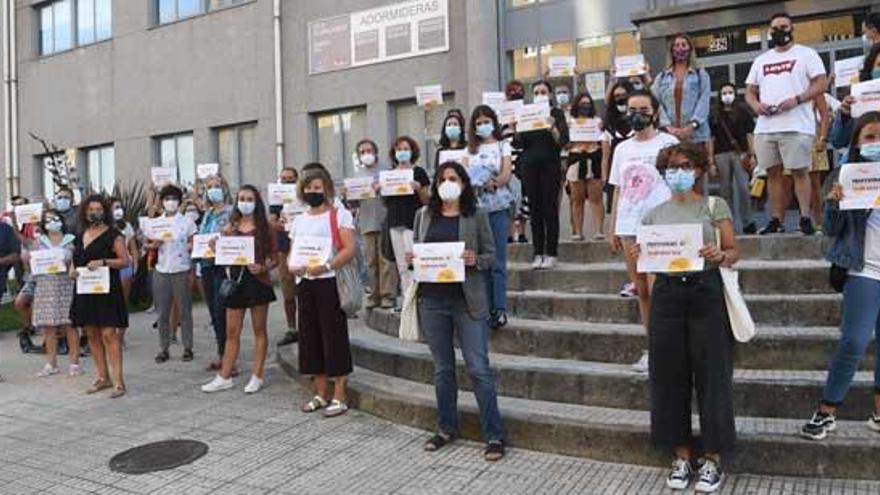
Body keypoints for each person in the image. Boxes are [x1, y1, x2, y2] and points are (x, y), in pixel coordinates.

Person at [632, 142, 740, 493]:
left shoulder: (713, 206)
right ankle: (680, 455)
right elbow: (646, 271)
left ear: (697, 169)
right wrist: (639, 256)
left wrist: (719, 253)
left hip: (705, 290)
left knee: (713, 374)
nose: (677, 172)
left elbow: (734, 251)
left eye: (684, 165)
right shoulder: (653, 215)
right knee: (667, 375)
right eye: (671, 167)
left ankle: (713, 458)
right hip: (666, 294)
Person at [408, 161, 505, 461]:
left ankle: (494, 435)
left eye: (453, 178)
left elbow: (492, 257)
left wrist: (476, 258)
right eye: (442, 178)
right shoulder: (423, 216)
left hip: (468, 301)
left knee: (478, 368)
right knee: (442, 369)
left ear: (463, 184)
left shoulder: (476, 215)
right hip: (432, 301)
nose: (447, 182)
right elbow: (416, 254)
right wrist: (413, 259)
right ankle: (446, 427)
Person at [800, 111, 880, 441]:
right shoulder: (845, 174)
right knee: (854, 340)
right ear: (858, 142)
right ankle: (827, 410)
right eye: (870, 137)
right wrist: (834, 204)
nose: (876, 143)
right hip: (864, 269)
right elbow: (830, 230)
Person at [609, 90, 679, 372]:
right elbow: (618, 189)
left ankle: (668, 348)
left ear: (655, 112)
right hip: (629, 225)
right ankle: (653, 347)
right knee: (641, 290)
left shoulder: (668, 142)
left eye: (642, 109)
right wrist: (613, 225)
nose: (636, 114)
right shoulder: (622, 149)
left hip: (661, 225)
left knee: (659, 288)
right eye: (631, 109)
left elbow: (681, 181)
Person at [745, 12, 828, 235]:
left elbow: (821, 83)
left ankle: (804, 218)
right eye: (774, 28)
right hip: (766, 126)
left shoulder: (806, 54)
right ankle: (776, 219)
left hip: (797, 125)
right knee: (772, 174)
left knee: (800, 171)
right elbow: (749, 91)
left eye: (783, 26)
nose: (779, 31)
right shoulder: (761, 60)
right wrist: (756, 106)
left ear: (792, 28)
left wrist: (798, 99)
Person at [290, 167, 356, 418]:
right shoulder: (299, 219)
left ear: (326, 188)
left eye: (317, 187)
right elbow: (294, 251)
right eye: (308, 188)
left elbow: (349, 249)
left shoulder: (339, 215)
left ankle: (340, 393)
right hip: (305, 282)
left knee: (333, 335)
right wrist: (292, 267)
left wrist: (326, 266)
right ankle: (320, 393)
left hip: (329, 281)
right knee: (309, 336)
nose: (312, 192)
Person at [202, 185, 277, 394]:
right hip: (235, 282)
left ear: (257, 202)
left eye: (249, 198)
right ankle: (224, 376)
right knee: (232, 331)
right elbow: (224, 253)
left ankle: (257, 374)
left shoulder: (266, 227)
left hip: (258, 282)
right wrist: (216, 245)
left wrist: (263, 266)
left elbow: (274, 257)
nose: (245, 202)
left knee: (258, 330)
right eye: (241, 198)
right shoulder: (231, 226)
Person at [70, 194, 130, 398]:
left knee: (109, 334)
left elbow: (125, 261)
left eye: (97, 209)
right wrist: (72, 270)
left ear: (105, 211)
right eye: (90, 209)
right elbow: (76, 259)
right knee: (92, 334)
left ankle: (119, 381)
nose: (93, 213)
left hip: (107, 291)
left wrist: (104, 262)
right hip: (85, 290)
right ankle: (102, 377)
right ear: (84, 212)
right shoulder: (80, 235)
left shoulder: (114, 235)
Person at [464, 105, 514, 329]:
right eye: (478, 123)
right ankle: (482, 309)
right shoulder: (469, 150)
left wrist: (492, 182)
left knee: (497, 261)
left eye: (486, 121)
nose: (483, 126)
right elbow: (463, 176)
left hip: (498, 205)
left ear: (493, 122)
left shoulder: (503, 145)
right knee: (480, 262)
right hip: (475, 210)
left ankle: (499, 309)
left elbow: (505, 173)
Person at [513, 80, 569, 270]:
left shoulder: (556, 113)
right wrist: (516, 127)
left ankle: (551, 253)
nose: (540, 95)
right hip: (530, 166)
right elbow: (518, 143)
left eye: (543, 92)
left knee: (549, 209)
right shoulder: (527, 113)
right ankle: (538, 253)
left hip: (550, 165)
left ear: (550, 94)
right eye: (536, 92)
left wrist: (552, 126)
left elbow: (563, 141)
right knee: (534, 210)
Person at [146, 185, 197, 364]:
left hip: (181, 269)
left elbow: (194, 242)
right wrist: (152, 245)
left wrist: (191, 251)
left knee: (184, 310)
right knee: (162, 312)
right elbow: (147, 242)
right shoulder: (156, 222)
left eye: (174, 199)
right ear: (162, 202)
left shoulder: (187, 222)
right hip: (161, 269)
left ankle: (188, 347)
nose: (170, 202)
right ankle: (163, 348)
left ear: (179, 201)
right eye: (167, 199)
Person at [29, 209, 80, 378]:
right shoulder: (39, 242)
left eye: (55, 218)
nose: (52, 222)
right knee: (49, 326)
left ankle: (74, 362)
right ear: (43, 223)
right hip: (45, 287)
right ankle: (51, 363)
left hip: (66, 286)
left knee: (70, 324)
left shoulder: (71, 240)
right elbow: (31, 262)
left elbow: (77, 260)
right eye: (48, 219)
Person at [350, 140, 397, 310]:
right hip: (367, 221)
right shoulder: (357, 175)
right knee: (370, 261)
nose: (366, 154)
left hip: (385, 218)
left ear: (376, 151)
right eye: (362, 151)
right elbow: (353, 202)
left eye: (369, 150)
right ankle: (373, 294)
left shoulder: (387, 170)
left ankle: (388, 295)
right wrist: (349, 194)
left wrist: (382, 187)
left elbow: (395, 190)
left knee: (385, 260)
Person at [193, 174, 234, 370]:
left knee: (221, 312)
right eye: (210, 186)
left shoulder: (231, 213)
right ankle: (221, 354)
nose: (214, 189)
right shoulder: (208, 214)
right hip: (206, 266)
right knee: (214, 314)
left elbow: (236, 237)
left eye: (218, 185)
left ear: (224, 189)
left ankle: (230, 360)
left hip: (222, 267)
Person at [383, 136, 431, 301]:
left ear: (412, 152)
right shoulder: (389, 175)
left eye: (405, 149)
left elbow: (427, 200)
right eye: (398, 149)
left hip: (413, 222)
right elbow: (386, 203)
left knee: (414, 262)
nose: (402, 152)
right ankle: (407, 299)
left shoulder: (419, 172)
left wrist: (418, 188)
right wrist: (380, 189)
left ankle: (419, 297)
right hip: (395, 222)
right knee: (402, 265)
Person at [709, 82, 758, 234]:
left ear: (735, 94)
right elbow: (711, 139)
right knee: (725, 191)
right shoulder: (714, 113)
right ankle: (727, 223)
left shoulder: (743, 110)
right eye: (724, 93)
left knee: (744, 188)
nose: (727, 95)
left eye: (730, 92)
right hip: (721, 154)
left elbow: (750, 133)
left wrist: (753, 154)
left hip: (740, 154)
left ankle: (748, 221)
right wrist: (710, 161)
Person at [652, 34, 712, 148]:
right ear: (671, 50)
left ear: (690, 49)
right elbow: (655, 101)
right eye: (676, 45)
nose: (680, 48)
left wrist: (691, 126)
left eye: (683, 45)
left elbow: (704, 101)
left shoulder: (700, 75)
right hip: (669, 136)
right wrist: (668, 127)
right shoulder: (662, 77)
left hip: (696, 136)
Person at [567, 91, 608, 241]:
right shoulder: (570, 122)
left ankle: (599, 230)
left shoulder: (597, 121)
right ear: (576, 105)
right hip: (576, 158)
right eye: (582, 104)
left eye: (588, 104)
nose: (585, 107)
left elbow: (602, 141)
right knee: (576, 199)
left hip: (594, 156)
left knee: (595, 198)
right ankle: (577, 231)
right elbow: (565, 144)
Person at [830, 44, 880, 151]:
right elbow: (838, 141)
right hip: (862, 163)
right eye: (879, 65)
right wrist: (845, 116)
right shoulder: (856, 97)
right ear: (871, 69)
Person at [274, 166, 301, 347]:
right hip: (284, 248)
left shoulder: (304, 197)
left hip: (303, 248)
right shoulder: (275, 199)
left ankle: (307, 327)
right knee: (288, 290)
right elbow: (271, 222)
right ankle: (292, 328)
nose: (287, 182)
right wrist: (280, 223)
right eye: (284, 179)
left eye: (291, 179)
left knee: (306, 290)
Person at [110, 198, 138, 304]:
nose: (119, 210)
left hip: (126, 265)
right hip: (110, 264)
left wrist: (135, 266)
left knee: (123, 300)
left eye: (120, 207)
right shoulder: (104, 227)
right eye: (116, 207)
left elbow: (133, 248)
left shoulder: (127, 226)